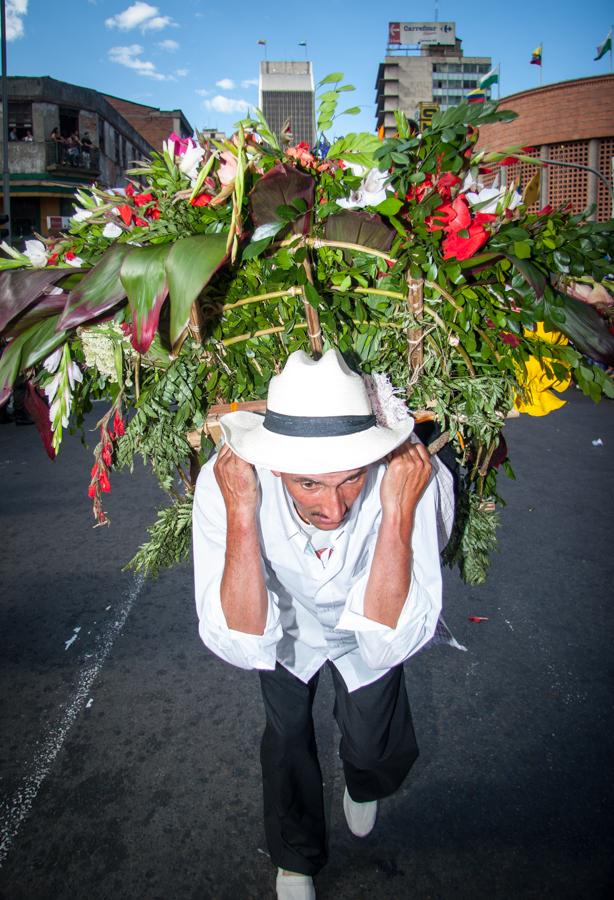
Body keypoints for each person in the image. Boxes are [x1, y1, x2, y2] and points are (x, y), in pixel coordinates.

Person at [192, 348, 453, 900]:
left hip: (374, 618)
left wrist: (398, 511)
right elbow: (242, 642)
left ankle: (363, 782)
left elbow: (388, 644)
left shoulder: (410, 479)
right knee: (286, 737)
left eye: (350, 479)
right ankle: (295, 858)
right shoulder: (230, 482)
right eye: (309, 484)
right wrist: (242, 510)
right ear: (276, 464)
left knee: (374, 746)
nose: (333, 509)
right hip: (282, 626)